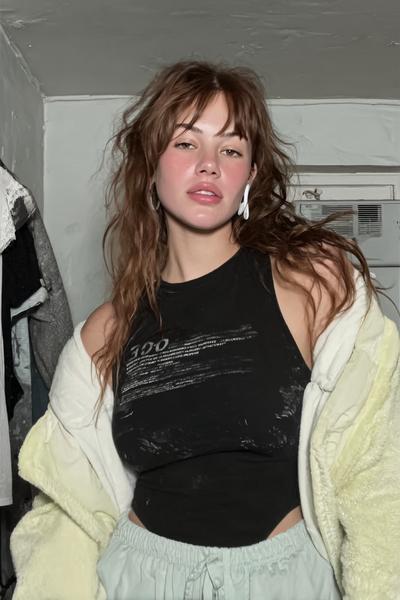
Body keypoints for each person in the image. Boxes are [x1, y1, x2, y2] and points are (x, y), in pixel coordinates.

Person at [10, 61, 400, 600]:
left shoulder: (312, 287)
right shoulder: (104, 334)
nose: (210, 164)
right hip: (141, 581)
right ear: (151, 166)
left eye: (231, 149)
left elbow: (376, 474)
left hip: (286, 583)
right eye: (186, 143)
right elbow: (66, 513)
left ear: (250, 175)